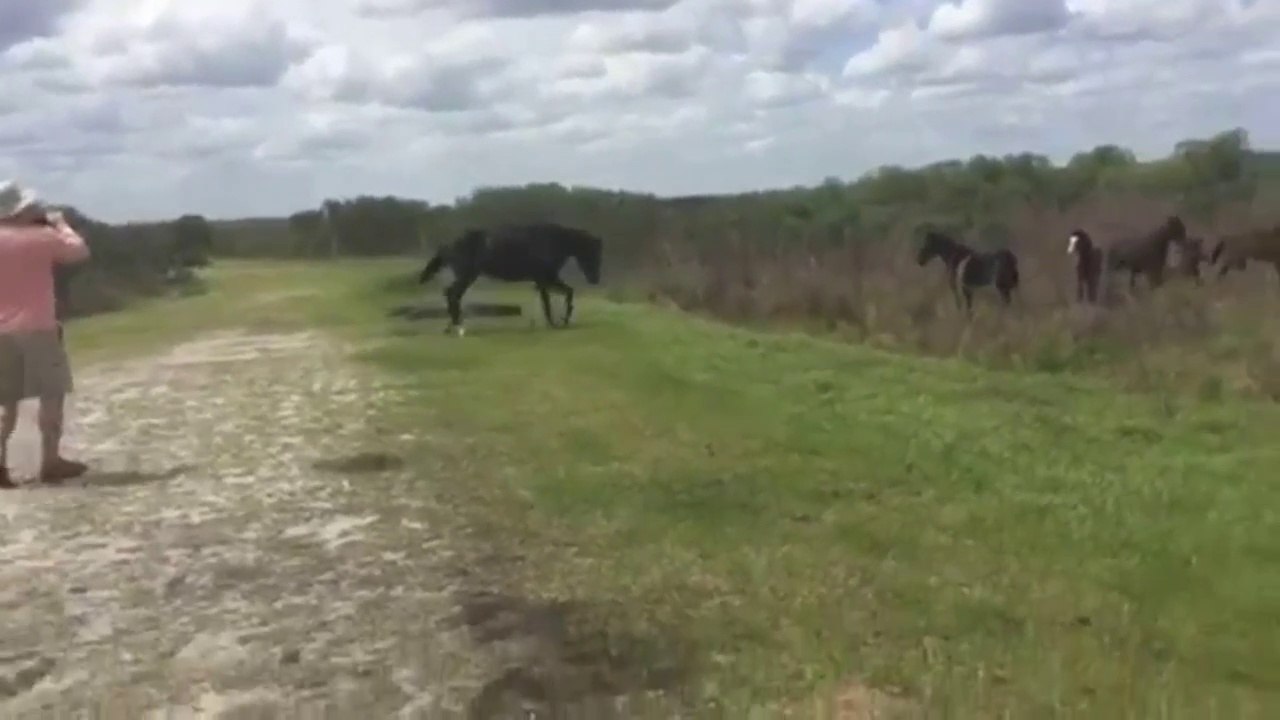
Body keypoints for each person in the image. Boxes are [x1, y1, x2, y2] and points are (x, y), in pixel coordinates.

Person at [0, 180, 91, 489]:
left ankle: (0, 466)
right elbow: (78, 252)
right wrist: (61, 224)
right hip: (38, 326)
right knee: (51, 394)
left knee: (4, 401)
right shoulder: (42, 237)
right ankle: (50, 460)